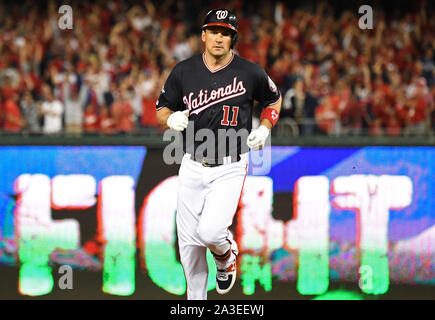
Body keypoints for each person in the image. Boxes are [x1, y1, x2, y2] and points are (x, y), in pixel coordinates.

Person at [155, 9, 282, 300]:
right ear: (203, 35)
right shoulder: (184, 71)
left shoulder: (250, 72)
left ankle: (225, 256)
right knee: (189, 248)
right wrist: (169, 119)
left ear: (233, 39)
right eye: (213, 31)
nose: (218, 38)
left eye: (225, 33)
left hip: (230, 164)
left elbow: (274, 99)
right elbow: (162, 107)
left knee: (211, 233)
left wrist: (265, 128)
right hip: (191, 163)